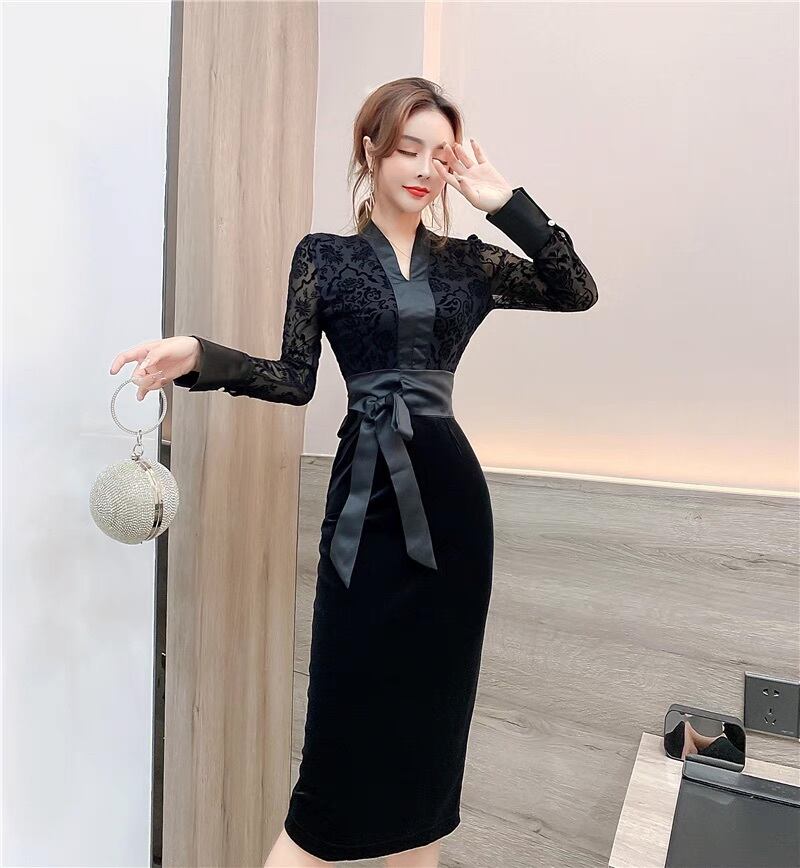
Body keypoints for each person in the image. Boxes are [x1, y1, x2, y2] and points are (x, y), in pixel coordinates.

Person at [110, 77, 598, 868]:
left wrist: (505, 203)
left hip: (451, 511)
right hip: (365, 504)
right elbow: (293, 378)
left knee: (428, 755)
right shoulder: (324, 257)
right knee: (336, 752)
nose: (424, 168)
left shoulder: (469, 263)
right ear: (370, 151)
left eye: (440, 155)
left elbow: (575, 291)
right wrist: (199, 355)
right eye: (407, 149)